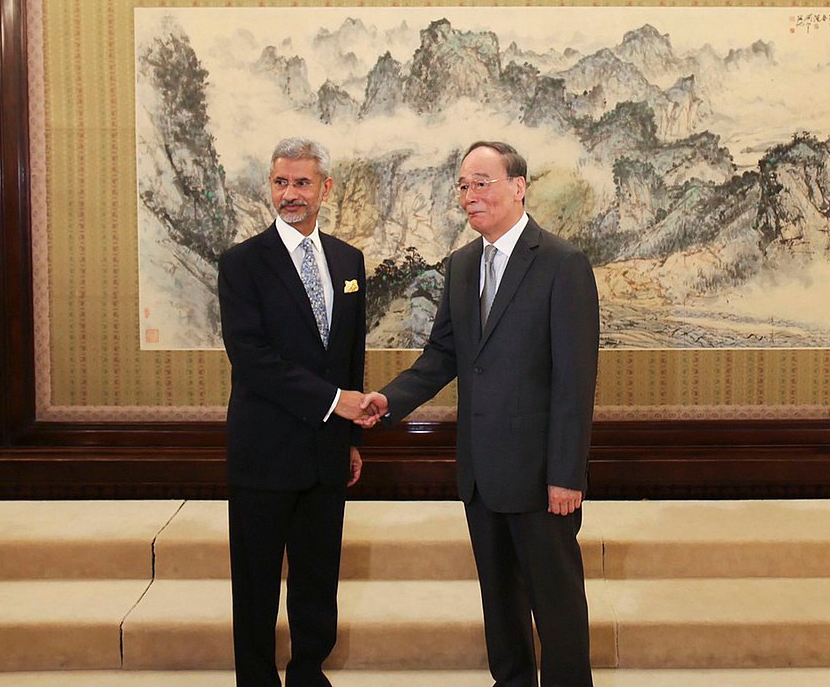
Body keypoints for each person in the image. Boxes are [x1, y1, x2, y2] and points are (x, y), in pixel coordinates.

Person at [360, 140, 600, 687]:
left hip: (543, 479)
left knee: (557, 613)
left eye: (481, 182)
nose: (469, 195)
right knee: (501, 610)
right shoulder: (464, 265)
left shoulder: (563, 264)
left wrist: (567, 474)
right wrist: (389, 400)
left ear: (519, 186)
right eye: (463, 185)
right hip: (480, 475)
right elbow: (444, 354)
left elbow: (574, 383)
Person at [217, 136, 374, 687]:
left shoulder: (349, 260)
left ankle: (309, 674)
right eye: (281, 182)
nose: (291, 194)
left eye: (302, 183)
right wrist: (336, 403)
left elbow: (349, 355)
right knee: (256, 583)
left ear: (325, 188)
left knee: (317, 579)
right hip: (264, 452)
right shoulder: (241, 263)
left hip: (327, 452)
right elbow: (253, 359)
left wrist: (351, 437)